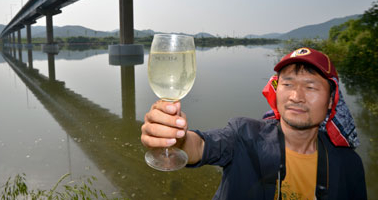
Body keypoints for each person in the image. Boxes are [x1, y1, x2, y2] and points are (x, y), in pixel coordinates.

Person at [141, 47, 367, 200]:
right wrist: (177, 139)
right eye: (287, 84)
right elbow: (200, 146)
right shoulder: (245, 135)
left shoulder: (349, 165)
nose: (296, 96)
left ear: (331, 100)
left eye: (310, 87)